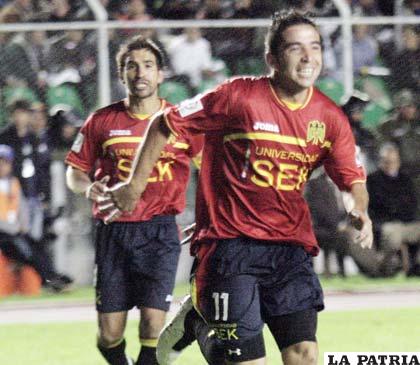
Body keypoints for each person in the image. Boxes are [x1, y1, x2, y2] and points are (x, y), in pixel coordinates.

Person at [107, 11, 373, 365]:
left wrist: (359, 208)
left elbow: (352, 177)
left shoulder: (329, 117)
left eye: (315, 47)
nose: (308, 57)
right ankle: (198, 325)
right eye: (296, 48)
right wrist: (133, 186)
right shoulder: (237, 97)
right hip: (231, 247)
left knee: (305, 355)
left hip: (290, 249)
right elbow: (164, 123)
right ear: (272, 59)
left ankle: (200, 318)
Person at [65, 35, 202, 365]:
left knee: (154, 325)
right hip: (115, 232)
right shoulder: (101, 120)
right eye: (131, 66)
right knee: (110, 334)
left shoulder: (182, 123)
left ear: (161, 75)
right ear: (121, 75)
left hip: (160, 232)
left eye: (148, 66)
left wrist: (211, 214)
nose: (140, 73)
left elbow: (209, 170)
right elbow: (75, 171)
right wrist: (87, 189)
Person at [367, 143, 420, 276]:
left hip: (407, 223)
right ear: (380, 162)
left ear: (399, 162)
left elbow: (412, 204)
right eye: (387, 161)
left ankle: (416, 267)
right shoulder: (372, 180)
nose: (390, 164)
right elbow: (375, 207)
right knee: (393, 234)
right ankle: (386, 268)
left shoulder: (406, 179)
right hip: (385, 224)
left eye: (394, 161)